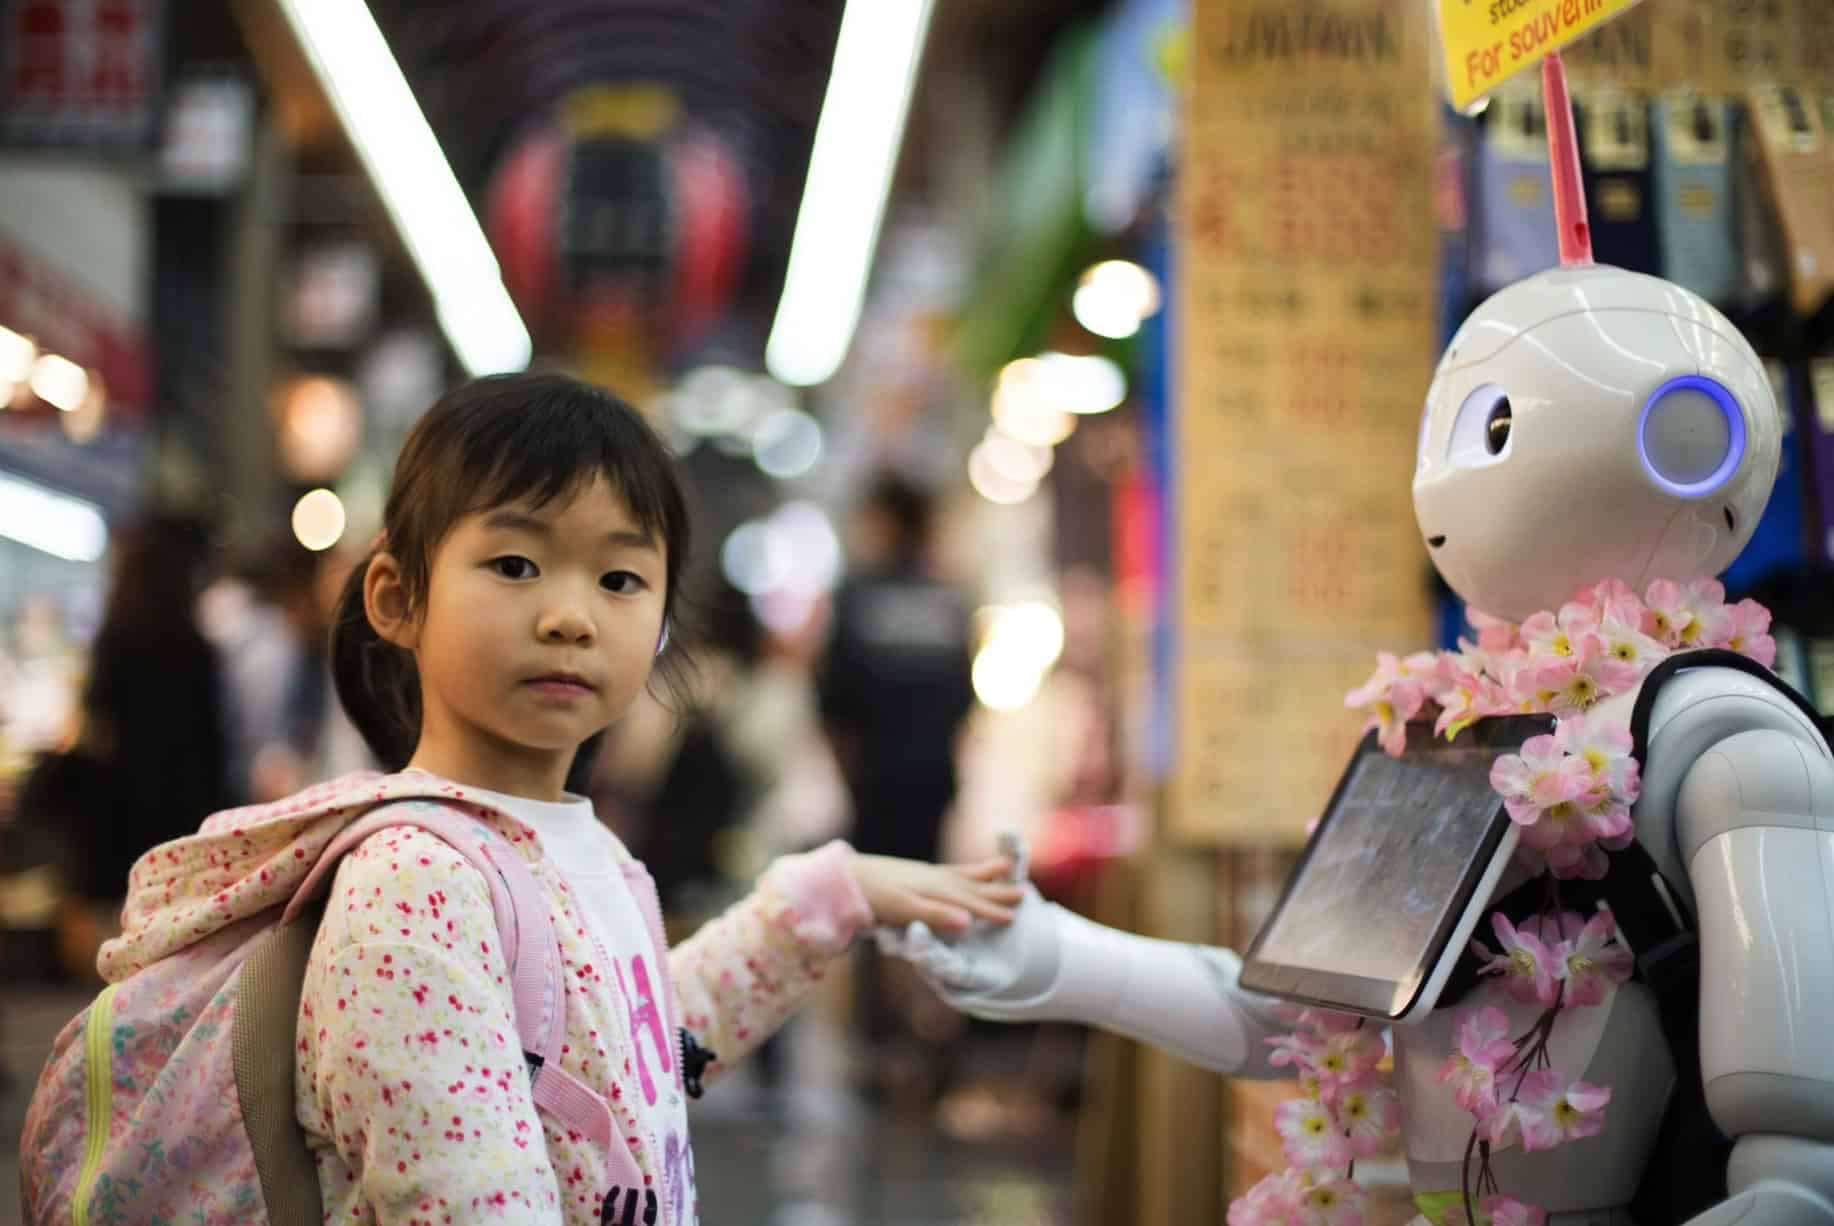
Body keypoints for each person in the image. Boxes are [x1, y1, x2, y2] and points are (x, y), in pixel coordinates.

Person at [89, 372, 1020, 1225]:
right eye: (516, 565)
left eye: (619, 578)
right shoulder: (415, 884)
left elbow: (628, 1062)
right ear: (395, 598)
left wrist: (830, 898)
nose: (570, 615)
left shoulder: (576, 848)